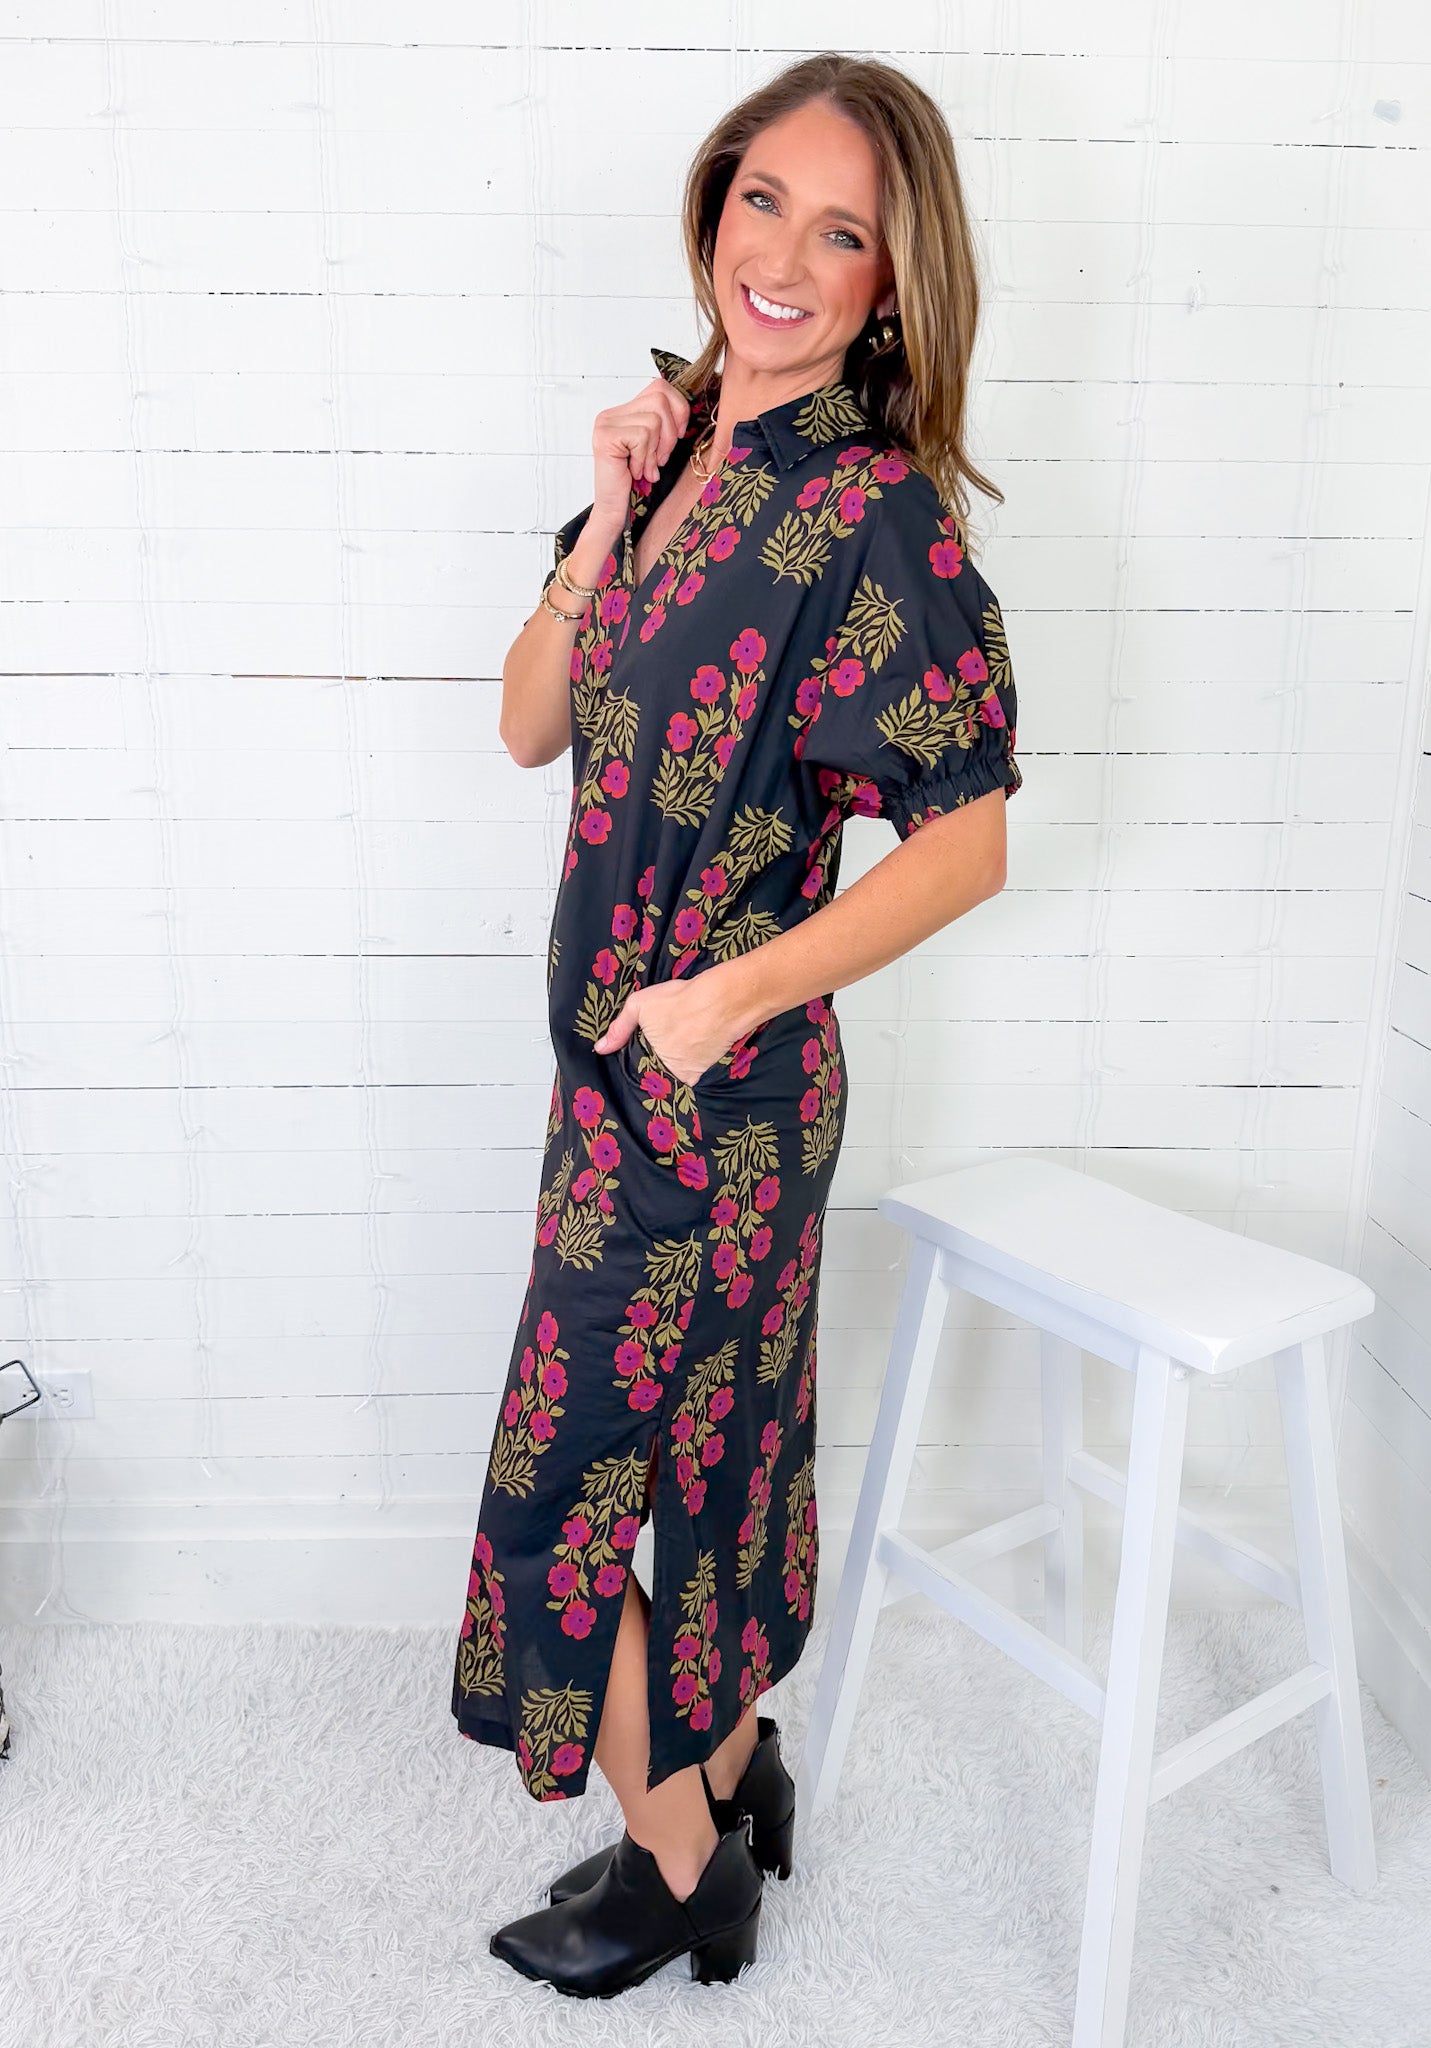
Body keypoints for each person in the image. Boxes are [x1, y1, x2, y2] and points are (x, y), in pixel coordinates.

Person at [452, 49, 1022, 1997]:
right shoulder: (676, 440)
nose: (780, 256)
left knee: (558, 1507)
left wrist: (729, 993)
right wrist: (605, 511)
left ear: (889, 284)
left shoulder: (872, 515)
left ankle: (682, 1863)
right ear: (713, 205)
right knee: (706, 1458)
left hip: (720, 1098)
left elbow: (968, 844)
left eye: (839, 231)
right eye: (761, 199)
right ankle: (735, 1757)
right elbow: (527, 720)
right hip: (614, 1089)